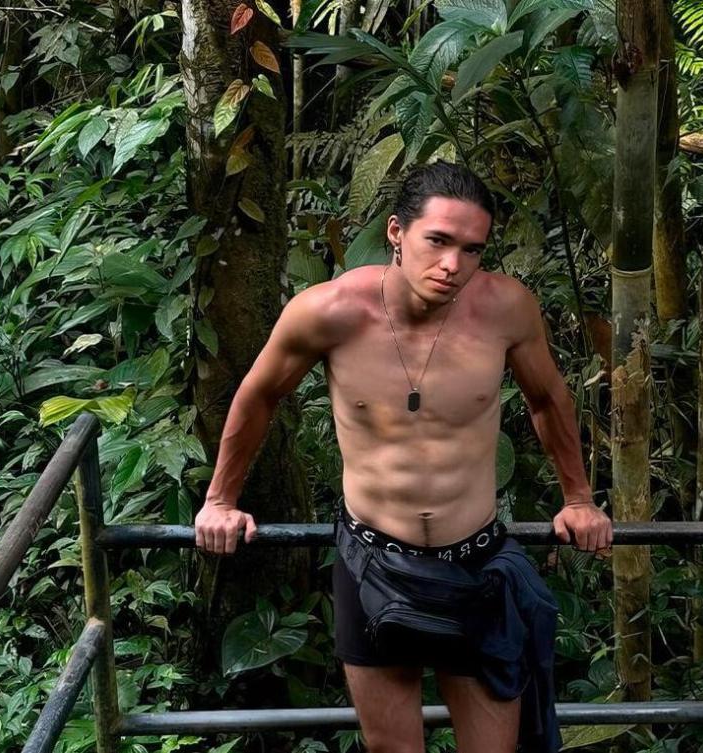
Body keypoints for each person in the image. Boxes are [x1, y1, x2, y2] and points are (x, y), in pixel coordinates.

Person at [194, 161, 614, 753]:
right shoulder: (330, 311)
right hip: (372, 561)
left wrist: (579, 499)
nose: (453, 265)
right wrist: (220, 500)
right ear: (396, 231)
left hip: (475, 562)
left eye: (472, 250)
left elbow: (547, 398)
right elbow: (259, 394)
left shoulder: (505, 308)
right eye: (437, 241)